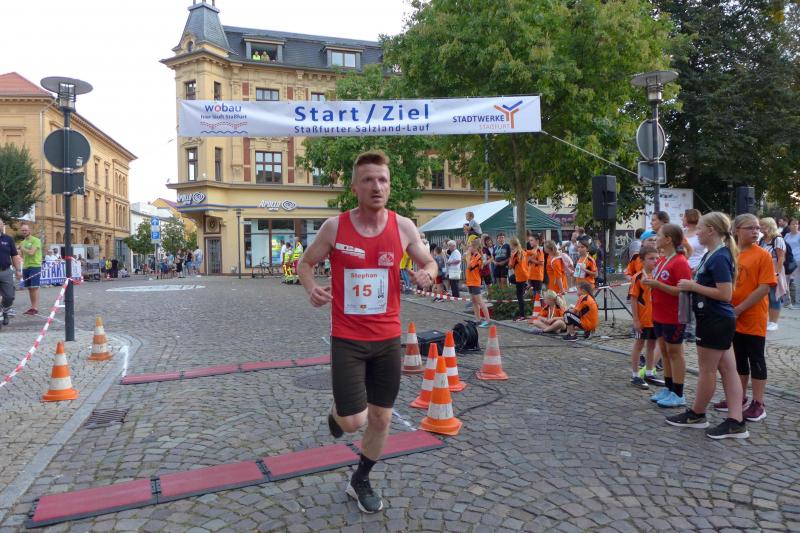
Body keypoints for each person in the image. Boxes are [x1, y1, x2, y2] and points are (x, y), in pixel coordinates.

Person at [298, 150, 436, 514]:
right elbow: (305, 263)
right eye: (368, 180)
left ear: (389, 185)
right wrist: (311, 288)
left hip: (388, 339)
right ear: (355, 187)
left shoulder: (403, 226)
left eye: (382, 180)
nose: (377, 186)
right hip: (348, 338)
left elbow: (429, 261)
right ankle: (338, 413)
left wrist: (428, 273)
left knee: (381, 417)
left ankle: (360, 479)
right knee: (352, 421)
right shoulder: (335, 227)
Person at [667, 212, 749, 439]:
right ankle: (735, 421)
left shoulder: (719, 256)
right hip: (717, 319)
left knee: (707, 370)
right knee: (728, 370)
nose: (696, 233)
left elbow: (725, 293)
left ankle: (697, 414)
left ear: (711, 230)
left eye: (700, 229)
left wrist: (693, 286)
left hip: (714, 319)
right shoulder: (714, 253)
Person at [714, 213, 776, 423]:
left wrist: (740, 308)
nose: (756, 231)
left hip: (753, 316)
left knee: (756, 358)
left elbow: (764, 287)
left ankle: (758, 403)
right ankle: (738, 398)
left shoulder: (763, 255)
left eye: (757, 228)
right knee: (738, 359)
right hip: (731, 315)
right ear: (736, 230)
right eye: (750, 228)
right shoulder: (730, 253)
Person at [643, 224, 692, 409]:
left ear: (668, 239)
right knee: (664, 352)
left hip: (673, 316)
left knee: (675, 353)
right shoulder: (663, 259)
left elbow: (683, 290)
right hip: (660, 314)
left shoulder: (680, 262)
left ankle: (678, 393)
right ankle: (669, 387)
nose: (656, 239)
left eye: (659, 236)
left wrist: (657, 285)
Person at [629, 246, 661, 389]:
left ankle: (649, 372)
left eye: (656, 258)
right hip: (642, 319)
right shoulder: (638, 277)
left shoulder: (657, 276)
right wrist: (636, 320)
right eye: (651, 258)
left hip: (654, 319)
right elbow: (634, 299)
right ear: (642, 261)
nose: (655, 261)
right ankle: (635, 375)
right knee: (639, 345)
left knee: (652, 345)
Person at [759, 217, 787, 331]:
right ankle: (768, 320)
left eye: (763, 225)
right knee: (765, 296)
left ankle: (773, 322)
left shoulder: (777, 239)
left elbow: (781, 258)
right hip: (764, 270)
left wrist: (777, 273)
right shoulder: (762, 239)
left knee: (774, 297)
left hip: (774, 270)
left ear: (770, 226)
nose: (760, 227)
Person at [0, 218, 22, 326]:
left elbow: (14, 255)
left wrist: (18, 270)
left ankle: (5, 310)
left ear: (2, 225)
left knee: (9, 296)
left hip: (6, 271)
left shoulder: (8, 239)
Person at [18, 223, 42, 315]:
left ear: (29, 231)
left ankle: (35, 308)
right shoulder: (22, 242)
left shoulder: (36, 240)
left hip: (35, 266)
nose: (24, 232)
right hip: (26, 266)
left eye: (25, 230)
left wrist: (22, 248)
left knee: (34, 287)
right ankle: (32, 307)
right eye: (22, 230)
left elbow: (32, 252)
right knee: (29, 288)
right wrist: (17, 251)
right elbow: (21, 255)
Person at [465, 241, 491, 327]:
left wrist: (468, 257)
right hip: (470, 281)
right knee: (474, 301)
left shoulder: (477, 256)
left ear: (475, 247)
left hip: (475, 281)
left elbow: (469, 266)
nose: (469, 248)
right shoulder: (472, 255)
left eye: (470, 246)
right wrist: (468, 256)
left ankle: (488, 320)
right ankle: (478, 319)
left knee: (480, 301)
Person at [508, 237, 529, 321]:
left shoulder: (514, 254)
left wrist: (510, 259)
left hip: (519, 276)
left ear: (513, 245)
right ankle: (526, 285)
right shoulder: (523, 252)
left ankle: (522, 315)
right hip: (525, 274)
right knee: (511, 278)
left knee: (519, 296)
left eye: (510, 245)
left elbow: (510, 266)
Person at [784, 218, 800, 308]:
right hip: (789, 260)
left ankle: (798, 302)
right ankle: (787, 301)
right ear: (789, 225)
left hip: (798, 260)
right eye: (793, 224)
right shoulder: (787, 235)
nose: (795, 225)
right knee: (786, 281)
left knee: (798, 281)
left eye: (797, 224)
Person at [526, 233, 544, 300]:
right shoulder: (531, 251)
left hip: (537, 276)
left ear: (537, 241)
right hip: (531, 275)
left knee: (538, 295)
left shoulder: (539, 250)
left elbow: (541, 262)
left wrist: (531, 260)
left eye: (531, 240)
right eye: (529, 240)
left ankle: (542, 306)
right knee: (534, 295)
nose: (530, 242)